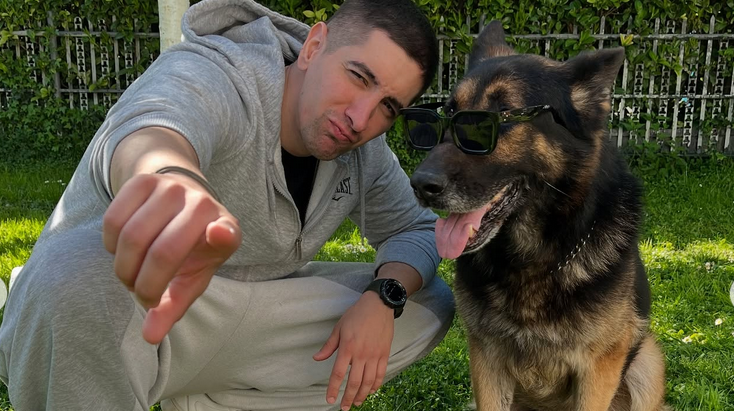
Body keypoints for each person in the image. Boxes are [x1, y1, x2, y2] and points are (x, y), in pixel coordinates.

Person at [0, 0, 455, 410]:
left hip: (236, 314)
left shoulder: (363, 151)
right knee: (77, 273)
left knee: (427, 302)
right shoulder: (219, 71)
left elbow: (414, 229)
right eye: (358, 77)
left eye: (388, 107)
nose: (360, 118)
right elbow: (155, 124)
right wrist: (171, 180)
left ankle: (209, 402)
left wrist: (384, 296)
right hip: (128, 308)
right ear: (315, 46)